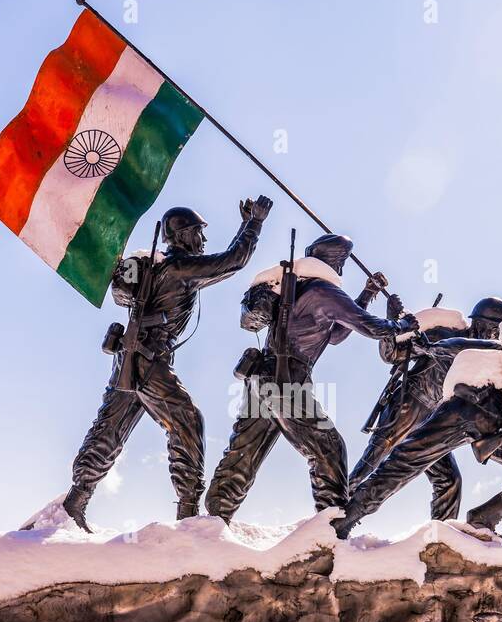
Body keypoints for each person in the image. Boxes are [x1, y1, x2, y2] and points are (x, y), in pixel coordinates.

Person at [61, 196, 272, 531]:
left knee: (111, 429)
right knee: (187, 420)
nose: (202, 241)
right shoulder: (179, 268)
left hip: (129, 356)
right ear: (183, 235)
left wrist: (244, 227)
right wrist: (254, 223)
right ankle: (188, 512)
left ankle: (76, 501)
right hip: (149, 359)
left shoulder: (161, 267)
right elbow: (233, 262)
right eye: (198, 233)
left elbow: (221, 267)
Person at [204, 234, 418, 522]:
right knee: (328, 447)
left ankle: (215, 518)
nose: (342, 267)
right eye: (341, 260)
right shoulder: (324, 291)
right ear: (333, 260)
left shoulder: (305, 288)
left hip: (263, 376)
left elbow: (336, 334)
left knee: (246, 450)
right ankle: (332, 526)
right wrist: (400, 325)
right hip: (288, 379)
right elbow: (367, 326)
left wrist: (367, 294)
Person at [332, 312, 502, 539]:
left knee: (404, 462)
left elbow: (471, 348)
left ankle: (345, 520)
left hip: (467, 406)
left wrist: (432, 348)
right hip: (496, 426)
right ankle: (482, 520)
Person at [350, 297, 502, 521]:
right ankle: (334, 513)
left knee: (449, 481)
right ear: (479, 323)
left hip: (435, 422)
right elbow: (391, 355)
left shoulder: (486, 356)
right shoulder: (446, 333)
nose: (494, 335)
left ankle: (442, 537)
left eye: (499, 331)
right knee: (370, 463)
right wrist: (392, 320)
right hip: (408, 407)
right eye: (493, 328)